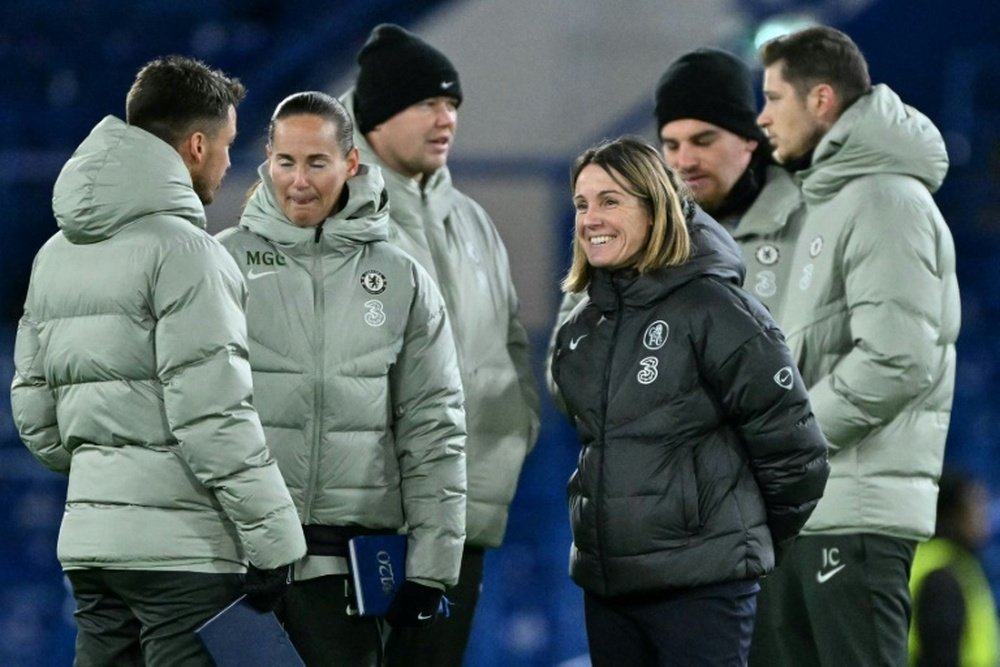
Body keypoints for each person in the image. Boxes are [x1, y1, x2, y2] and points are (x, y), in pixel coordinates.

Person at [9, 55, 306, 666]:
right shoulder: (189, 254)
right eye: (227, 145)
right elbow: (213, 416)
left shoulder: (54, 254)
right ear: (197, 145)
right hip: (184, 556)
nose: (229, 162)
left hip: (92, 552)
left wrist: (109, 466)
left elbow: (35, 416)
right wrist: (276, 541)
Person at [549, 136, 829, 667]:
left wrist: (739, 544)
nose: (591, 219)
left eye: (611, 201)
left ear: (656, 210)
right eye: (582, 204)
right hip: (608, 590)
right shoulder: (584, 326)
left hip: (703, 590)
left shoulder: (716, 307)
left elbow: (798, 452)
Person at [215, 91, 468, 667]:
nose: (298, 181)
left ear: (350, 164)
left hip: (344, 576)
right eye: (286, 162)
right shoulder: (220, 263)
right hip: (238, 569)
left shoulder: (402, 277)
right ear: (268, 162)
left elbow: (434, 427)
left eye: (317, 163)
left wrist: (432, 566)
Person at [748, 26, 961, 667]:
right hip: (818, 509)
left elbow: (898, 358)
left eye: (773, 98)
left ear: (820, 101)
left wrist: (786, 440)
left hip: (857, 513)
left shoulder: (886, 198)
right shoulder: (837, 200)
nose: (761, 118)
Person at [340, 23, 542, 666]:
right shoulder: (330, 209)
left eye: (452, 104)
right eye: (427, 102)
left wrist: (515, 429)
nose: (445, 117)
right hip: (364, 522)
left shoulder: (474, 221)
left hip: (461, 518)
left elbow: (510, 346)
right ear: (376, 115)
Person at [547, 47, 803, 396]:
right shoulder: (626, 232)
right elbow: (564, 373)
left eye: (703, 141)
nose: (684, 161)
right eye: (670, 144)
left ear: (748, 139)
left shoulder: (811, 219)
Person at [909, 470, 1000, 667]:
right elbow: (940, 658)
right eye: (975, 506)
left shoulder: (952, 561)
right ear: (953, 514)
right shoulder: (942, 575)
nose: (983, 517)